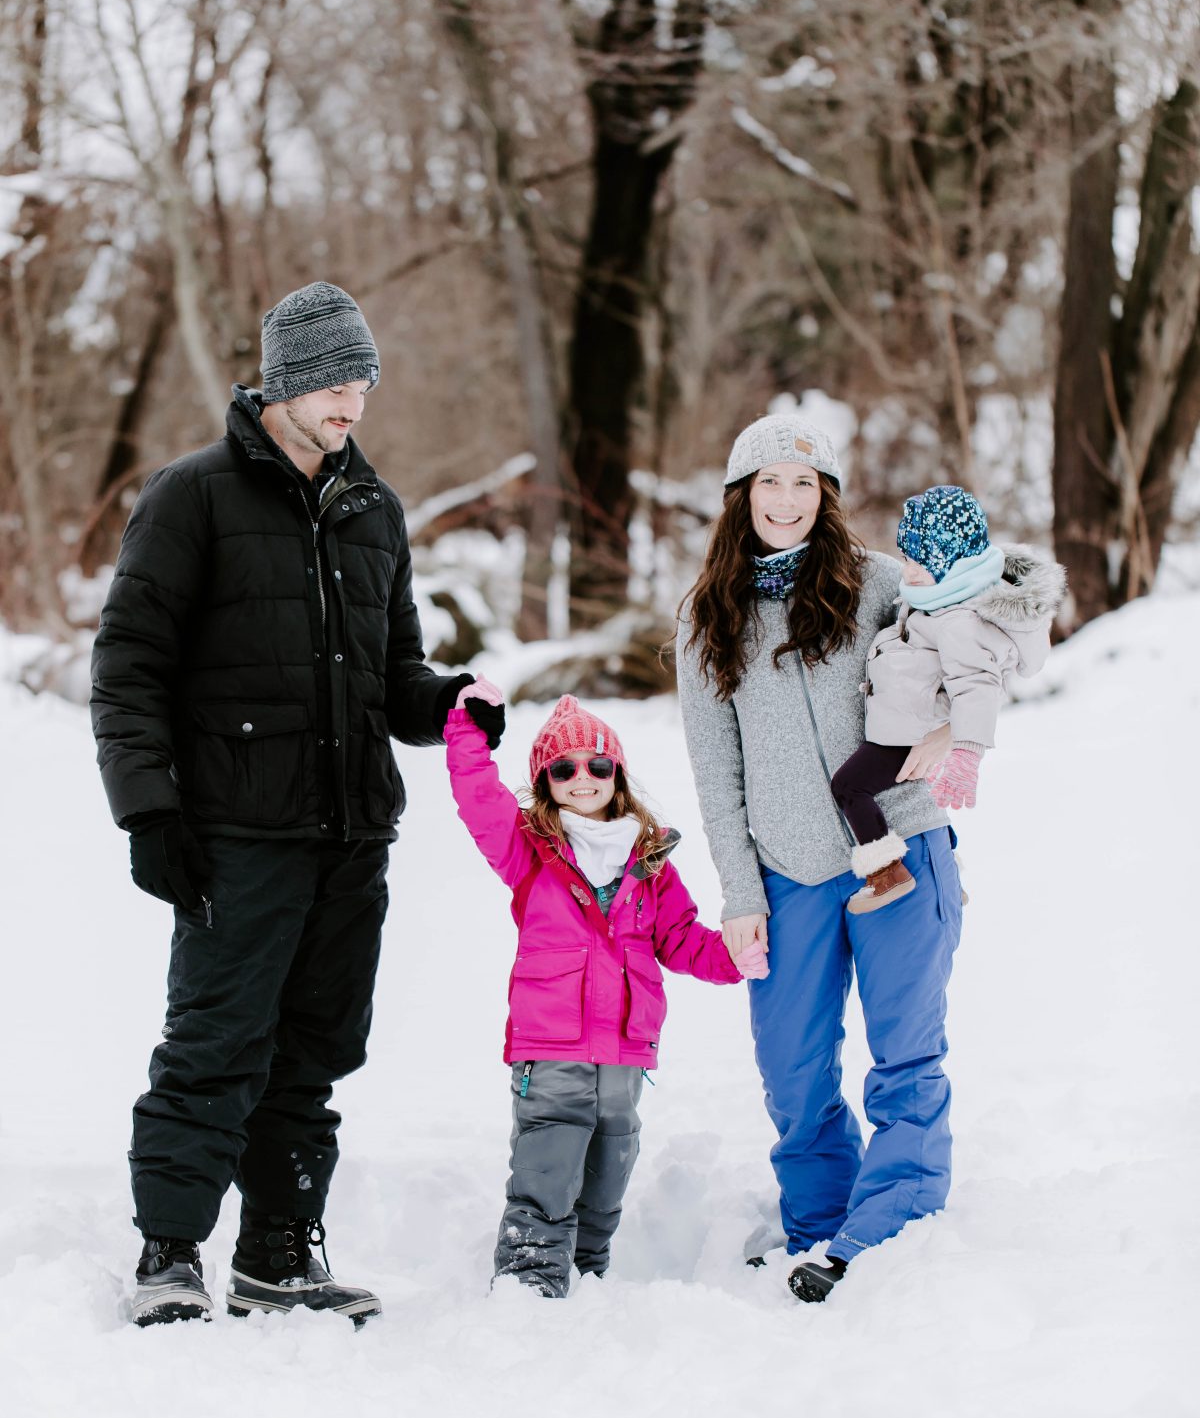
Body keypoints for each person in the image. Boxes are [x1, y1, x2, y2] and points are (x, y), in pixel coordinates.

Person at [91, 281, 503, 1327]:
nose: (348, 400)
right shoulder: (192, 497)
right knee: (216, 1044)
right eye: (327, 378)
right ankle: (170, 1254)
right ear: (279, 383)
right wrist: (149, 812)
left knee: (315, 1051)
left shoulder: (377, 511)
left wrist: (447, 702)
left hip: (352, 833)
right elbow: (129, 666)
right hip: (236, 831)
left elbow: (392, 676)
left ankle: (278, 1252)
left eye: (359, 377)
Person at [676, 412, 962, 1302]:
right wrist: (738, 893)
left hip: (901, 848)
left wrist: (954, 725)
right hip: (789, 869)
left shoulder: (881, 584)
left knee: (905, 1052)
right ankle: (820, 1226)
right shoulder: (706, 617)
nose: (788, 500)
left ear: (827, 497)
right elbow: (715, 775)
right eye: (769, 482)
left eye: (806, 484)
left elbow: (979, 653)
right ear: (741, 496)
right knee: (793, 1072)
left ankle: (892, 1227)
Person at [445, 686, 756, 1298]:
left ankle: (588, 1279)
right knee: (548, 1165)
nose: (581, 778)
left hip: (624, 1050)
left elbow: (682, 938)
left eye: (597, 765)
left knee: (609, 1171)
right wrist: (467, 732)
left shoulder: (650, 860)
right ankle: (529, 1287)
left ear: (617, 774)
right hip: (552, 1044)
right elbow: (478, 799)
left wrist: (736, 957)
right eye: (563, 768)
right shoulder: (530, 851)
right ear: (545, 781)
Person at [830, 484, 1066, 911]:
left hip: (908, 734)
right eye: (906, 558)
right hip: (907, 726)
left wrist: (966, 752)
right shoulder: (938, 600)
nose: (908, 570)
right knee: (915, 802)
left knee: (849, 787)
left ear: (950, 562)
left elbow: (977, 686)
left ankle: (886, 874)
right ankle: (945, 869)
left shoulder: (958, 619)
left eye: (919, 561)